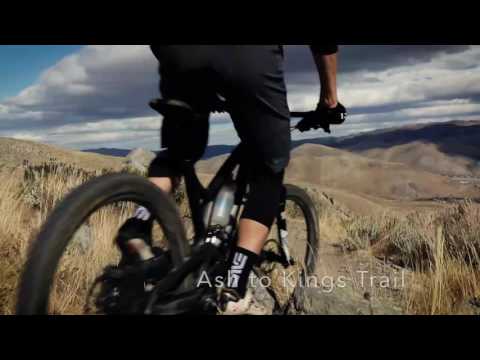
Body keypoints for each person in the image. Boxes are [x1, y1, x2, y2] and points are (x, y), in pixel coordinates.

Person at [115, 45, 345, 315]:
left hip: (178, 53)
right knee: (268, 171)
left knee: (179, 153)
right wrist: (329, 101)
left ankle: (138, 223)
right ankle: (234, 285)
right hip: (249, 58)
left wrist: (190, 62)